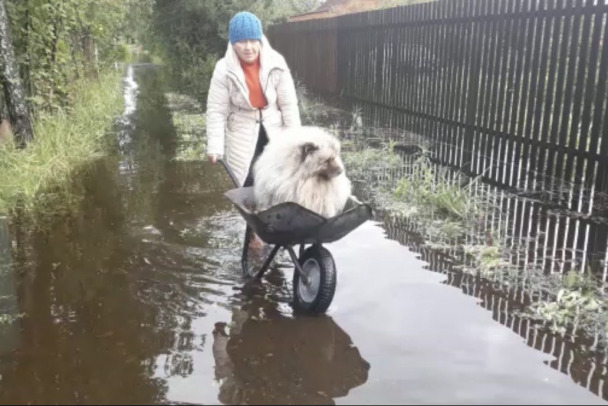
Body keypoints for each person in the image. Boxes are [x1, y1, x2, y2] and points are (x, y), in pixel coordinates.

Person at [206, 11, 301, 250]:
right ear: (233, 43)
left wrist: (296, 140)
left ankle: (276, 229)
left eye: (252, 40)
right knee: (249, 187)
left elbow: (289, 104)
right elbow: (216, 110)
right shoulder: (223, 69)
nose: (248, 47)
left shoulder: (276, 62)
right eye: (241, 41)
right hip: (242, 133)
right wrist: (215, 146)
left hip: (273, 130)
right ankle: (254, 235)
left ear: (260, 39)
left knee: (276, 183)